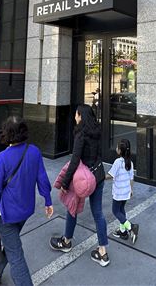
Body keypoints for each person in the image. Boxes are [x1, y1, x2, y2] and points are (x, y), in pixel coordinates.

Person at [0, 116, 53, 286]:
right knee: (12, 244)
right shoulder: (35, 151)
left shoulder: (2, 158)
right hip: (25, 212)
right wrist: (48, 201)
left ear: (6, 134)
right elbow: (43, 179)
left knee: (16, 256)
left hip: (6, 215)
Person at [50, 104, 109, 267]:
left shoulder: (81, 134)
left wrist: (65, 182)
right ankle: (103, 252)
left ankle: (66, 241)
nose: (75, 117)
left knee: (72, 207)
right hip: (98, 175)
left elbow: (74, 161)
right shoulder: (97, 131)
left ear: (81, 116)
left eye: (76, 114)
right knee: (98, 214)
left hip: (83, 179)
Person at [107, 139, 139, 244]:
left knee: (116, 211)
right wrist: (131, 190)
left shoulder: (118, 162)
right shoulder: (130, 162)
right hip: (126, 192)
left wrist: (99, 177)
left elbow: (110, 175)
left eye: (117, 147)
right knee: (121, 210)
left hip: (118, 192)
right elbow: (131, 177)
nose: (116, 148)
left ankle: (131, 227)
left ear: (120, 151)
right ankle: (123, 232)